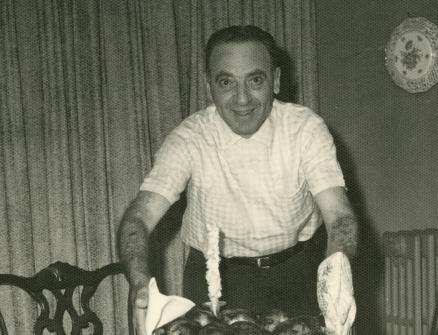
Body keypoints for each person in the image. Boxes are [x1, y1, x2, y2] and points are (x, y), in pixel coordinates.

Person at [117, 25, 358, 335]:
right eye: (226, 82)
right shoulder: (190, 138)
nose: (242, 98)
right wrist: (139, 283)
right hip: (215, 280)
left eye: (255, 80)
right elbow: (138, 219)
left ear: (276, 81)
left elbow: (339, 217)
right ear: (209, 87)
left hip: (297, 272)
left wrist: (337, 281)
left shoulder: (305, 129)